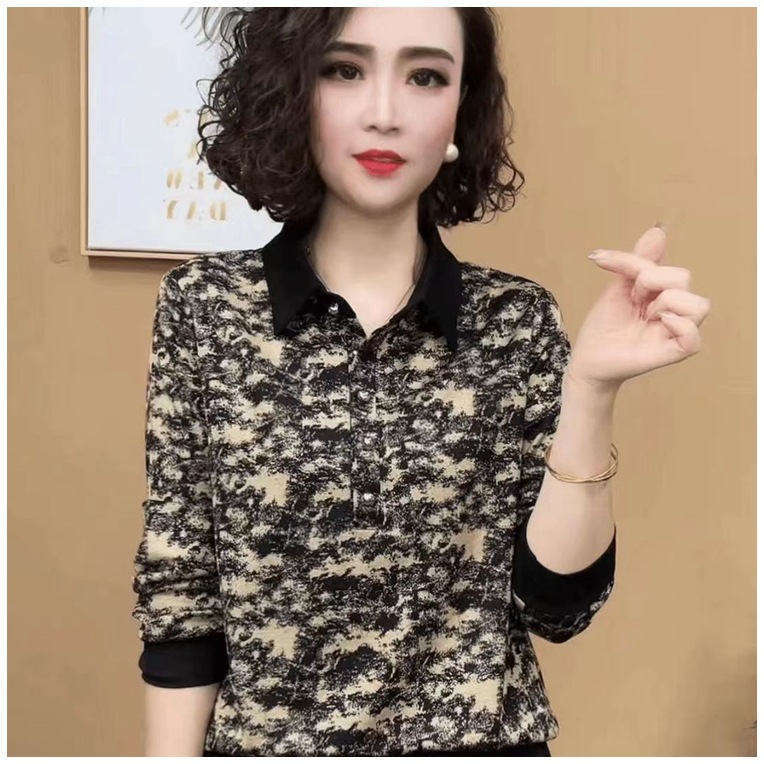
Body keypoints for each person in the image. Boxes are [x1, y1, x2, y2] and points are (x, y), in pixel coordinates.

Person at [131, 8, 619, 757]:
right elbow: (182, 597)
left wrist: (590, 394)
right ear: (293, 92)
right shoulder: (206, 308)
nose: (385, 112)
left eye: (426, 76)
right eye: (344, 70)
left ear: (460, 109)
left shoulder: (516, 320)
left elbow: (556, 610)